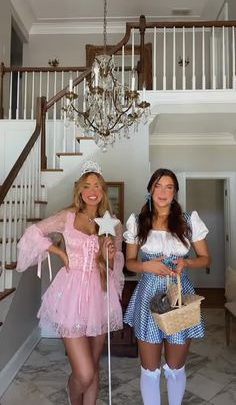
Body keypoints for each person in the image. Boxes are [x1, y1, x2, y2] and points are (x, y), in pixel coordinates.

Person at [16, 160, 124, 405]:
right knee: (83, 373)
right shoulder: (67, 217)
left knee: (94, 366)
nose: (92, 190)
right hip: (70, 295)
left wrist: (109, 254)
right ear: (80, 191)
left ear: (103, 190)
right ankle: (72, 395)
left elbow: (114, 265)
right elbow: (34, 233)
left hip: (99, 296)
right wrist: (60, 252)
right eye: (87, 186)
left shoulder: (112, 224)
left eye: (97, 185)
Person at [123, 168, 211, 405]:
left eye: (169, 187)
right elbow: (129, 263)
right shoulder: (138, 222)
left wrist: (187, 262)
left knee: (175, 367)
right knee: (149, 370)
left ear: (175, 192)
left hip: (179, 297)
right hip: (148, 296)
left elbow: (205, 258)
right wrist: (146, 267)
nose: (163, 192)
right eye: (158, 186)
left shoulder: (188, 221)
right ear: (150, 190)